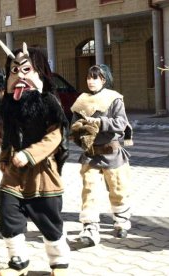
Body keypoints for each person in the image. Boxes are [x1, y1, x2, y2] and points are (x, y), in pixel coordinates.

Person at [0, 39, 70, 276]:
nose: (20, 76)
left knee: (49, 222)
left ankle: (59, 264)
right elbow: (5, 129)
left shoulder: (49, 102)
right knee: (8, 214)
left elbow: (55, 137)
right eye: (14, 70)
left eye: (26, 69)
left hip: (43, 174)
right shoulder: (9, 104)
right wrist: (2, 148)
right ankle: (18, 263)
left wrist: (29, 154)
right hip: (13, 173)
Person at [70, 64, 133, 247]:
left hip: (112, 153)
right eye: (89, 77)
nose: (91, 81)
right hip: (91, 154)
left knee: (118, 189)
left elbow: (121, 123)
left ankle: (121, 221)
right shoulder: (81, 101)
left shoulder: (114, 99)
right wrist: (79, 129)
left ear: (104, 79)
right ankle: (90, 228)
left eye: (95, 77)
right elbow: (73, 125)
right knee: (89, 189)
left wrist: (99, 122)